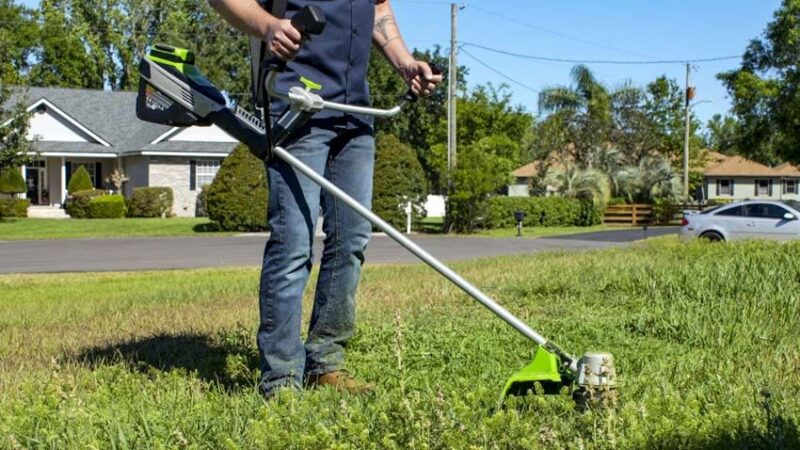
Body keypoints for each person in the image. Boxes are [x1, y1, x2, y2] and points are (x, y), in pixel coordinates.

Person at [208, 0, 442, 398]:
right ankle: (281, 379)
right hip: (297, 105)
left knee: (351, 241)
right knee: (293, 244)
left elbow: (379, 7)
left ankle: (324, 362)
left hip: (354, 111)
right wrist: (267, 25)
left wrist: (404, 61)